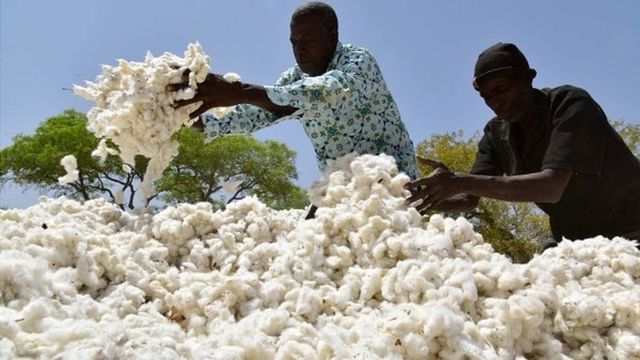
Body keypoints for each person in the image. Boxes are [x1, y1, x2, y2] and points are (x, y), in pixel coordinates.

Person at [171, 1, 418, 218]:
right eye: (294, 42)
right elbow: (260, 113)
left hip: (392, 183)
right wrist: (192, 117)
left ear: (332, 34)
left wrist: (239, 91)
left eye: (307, 40)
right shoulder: (294, 78)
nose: (299, 49)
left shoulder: (358, 62)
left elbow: (324, 91)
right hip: (340, 187)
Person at [405, 42, 640, 251]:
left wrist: (458, 181)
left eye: (501, 90)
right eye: (486, 97)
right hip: (575, 245)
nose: (494, 102)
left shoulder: (569, 104)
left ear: (527, 78)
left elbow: (551, 186)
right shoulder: (495, 132)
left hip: (631, 234)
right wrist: (424, 199)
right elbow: (469, 198)